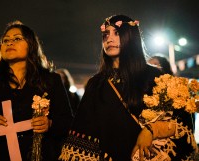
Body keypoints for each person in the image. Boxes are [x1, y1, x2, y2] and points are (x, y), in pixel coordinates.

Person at [59, 15, 197, 160]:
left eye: (116, 33)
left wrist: (150, 131)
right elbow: (84, 129)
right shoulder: (96, 83)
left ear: (131, 37)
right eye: (105, 34)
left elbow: (182, 122)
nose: (109, 39)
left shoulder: (155, 76)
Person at [0, 21, 73, 161]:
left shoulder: (50, 81)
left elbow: (68, 123)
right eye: (5, 40)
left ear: (31, 44)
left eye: (17, 38)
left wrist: (50, 124)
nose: (10, 43)